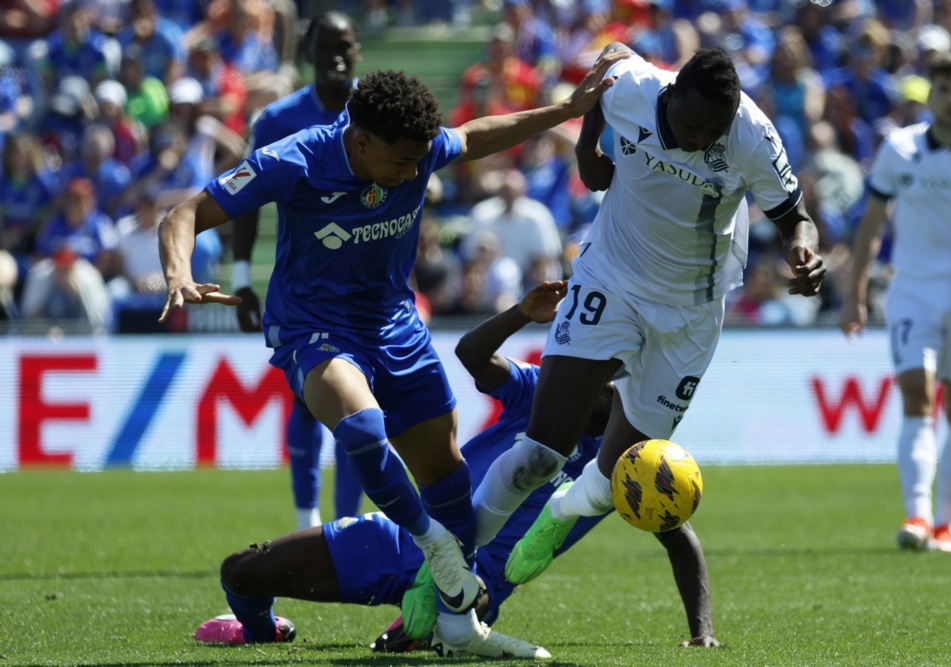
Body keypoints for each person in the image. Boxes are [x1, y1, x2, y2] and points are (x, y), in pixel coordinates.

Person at [157, 52, 629, 658]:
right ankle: (431, 545)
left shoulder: (420, 149)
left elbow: (478, 136)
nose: (414, 174)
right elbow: (184, 213)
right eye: (402, 160)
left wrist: (563, 111)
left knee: (449, 477)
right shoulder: (293, 160)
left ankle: (458, 629)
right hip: (316, 329)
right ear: (359, 141)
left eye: (419, 159)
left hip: (394, 325)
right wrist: (178, 271)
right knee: (362, 427)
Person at [463, 45, 825, 592]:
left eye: (714, 130)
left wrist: (805, 249)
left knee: (618, 473)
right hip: (611, 276)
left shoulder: (752, 133)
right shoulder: (634, 85)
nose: (702, 139)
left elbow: (796, 218)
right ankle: (443, 568)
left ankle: (558, 516)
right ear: (671, 93)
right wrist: (588, 149)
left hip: (690, 311)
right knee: (540, 450)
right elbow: (604, 77)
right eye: (693, 124)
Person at [192, 282, 719, 654]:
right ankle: (264, 633)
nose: (604, 376)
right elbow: (471, 353)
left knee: (453, 609)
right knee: (240, 571)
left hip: (480, 583)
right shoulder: (541, 391)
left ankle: (439, 622)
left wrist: (702, 632)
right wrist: (520, 313)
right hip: (414, 534)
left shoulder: (635, 459)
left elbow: (679, 536)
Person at [839, 51, 951, 554]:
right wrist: (856, 294)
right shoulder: (900, 148)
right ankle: (917, 514)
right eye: (943, 90)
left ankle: (947, 524)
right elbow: (871, 224)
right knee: (915, 395)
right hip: (912, 290)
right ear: (930, 95)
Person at [230, 11, 363, 530]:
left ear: (358, 51)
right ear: (307, 53)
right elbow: (241, 198)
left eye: (345, 44)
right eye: (325, 45)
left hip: (366, 286)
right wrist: (241, 276)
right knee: (309, 403)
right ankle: (308, 523)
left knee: (360, 410)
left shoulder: (378, 112)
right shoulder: (279, 120)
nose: (335, 55)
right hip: (303, 288)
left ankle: (347, 523)